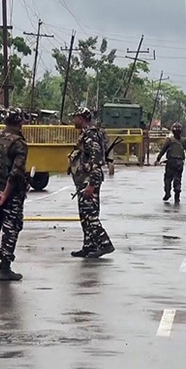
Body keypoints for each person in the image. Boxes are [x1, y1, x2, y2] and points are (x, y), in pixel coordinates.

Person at [0, 108, 28, 281]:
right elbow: (16, 172)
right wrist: (6, 194)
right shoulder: (19, 143)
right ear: (20, 123)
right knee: (11, 229)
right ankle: (4, 268)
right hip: (11, 195)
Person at [68, 107, 114, 259]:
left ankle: (105, 243)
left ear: (81, 118)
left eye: (75, 117)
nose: (73, 120)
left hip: (89, 180)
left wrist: (91, 184)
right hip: (83, 180)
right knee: (84, 215)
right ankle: (89, 245)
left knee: (90, 215)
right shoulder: (85, 134)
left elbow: (96, 161)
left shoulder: (91, 135)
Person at [154, 123, 186, 204]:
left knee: (168, 179)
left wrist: (158, 159)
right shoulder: (184, 141)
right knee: (178, 179)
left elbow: (163, 150)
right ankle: (177, 196)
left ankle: (168, 193)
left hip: (171, 162)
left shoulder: (169, 140)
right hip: (179, 163)